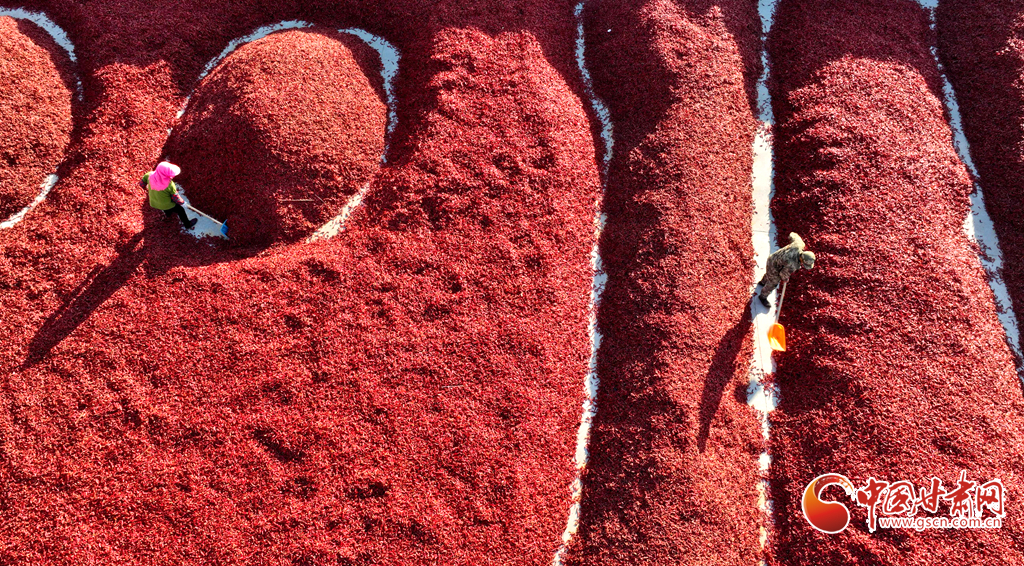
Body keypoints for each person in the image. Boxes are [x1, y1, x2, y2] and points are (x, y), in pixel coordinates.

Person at [757, 232, 815, 308]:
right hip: (774, 265)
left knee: (769, 273)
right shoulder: (792, 264)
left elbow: (793, 235)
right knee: (773, 282)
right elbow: (783, 274)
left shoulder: (799, 244)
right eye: (804, 263)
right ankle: (762, 297)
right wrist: (785, 279)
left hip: (773, 257)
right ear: (802, 259)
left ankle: (762, 282)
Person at [142, 161, 196, 229]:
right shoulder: (169, 184)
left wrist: (147, 189)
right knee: (180, 210)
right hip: (166, 204)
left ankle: (168, 214)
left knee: (165, 206)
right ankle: (187, 224)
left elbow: (142, 184)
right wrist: (183, 203)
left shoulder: (149, 175)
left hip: (153, 202)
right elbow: (175, 198)